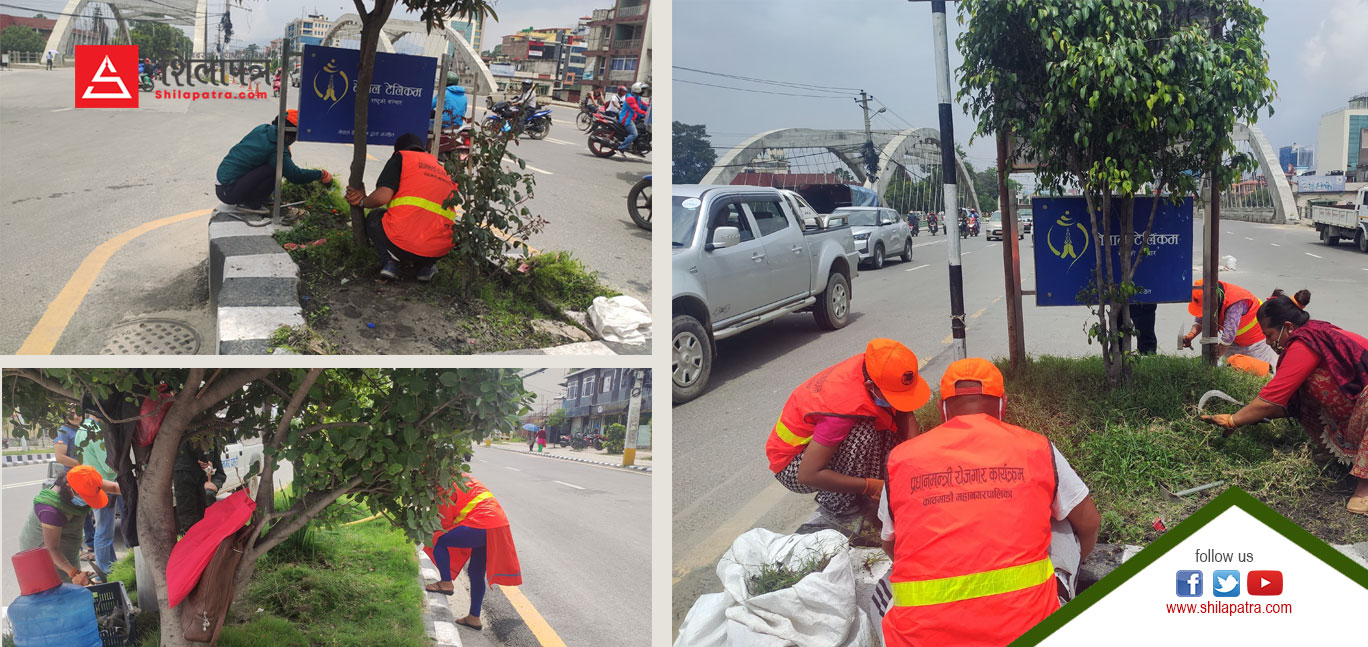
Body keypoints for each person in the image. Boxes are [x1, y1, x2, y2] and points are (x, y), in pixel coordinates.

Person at [880, 358, 1100, 647]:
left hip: (917, 639)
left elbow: (890, 544)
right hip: (1027, 629)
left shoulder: (901, 459)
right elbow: (1090, 522)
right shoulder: (1036, 447)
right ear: (1003, 405)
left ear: (942, 408)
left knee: (889, 578)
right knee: (1061, 519)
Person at [1201, 288, 1368, 515]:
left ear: (1288, 327)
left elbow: (1271, 400)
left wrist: (1234, 420)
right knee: (1300, 397)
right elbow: (1283, 403)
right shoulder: (1309, 336)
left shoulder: (1305, 343)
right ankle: (1339, 455)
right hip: (1358, 408)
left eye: (1269, 335)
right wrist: (1248, 418)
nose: (1268, 342)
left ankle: (1363, 490)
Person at [767, 338, 930, 518]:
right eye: (894, 395)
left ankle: (865, 490)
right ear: (870, 386)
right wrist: (870, 486)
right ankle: (840, 505)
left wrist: (915, 457)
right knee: (864, 431)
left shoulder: (875, 367)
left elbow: (903, 410)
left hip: (819, 451)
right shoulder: (841, 409)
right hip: (794, 467)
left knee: (889, 435)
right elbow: (808, 475)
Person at [346, 133, 459, 282]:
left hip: (402, 242)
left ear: (398, 150)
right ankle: (426, 267)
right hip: (439, 247)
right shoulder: (442, 168)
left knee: (375, 217)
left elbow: (382, 197)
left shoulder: (402, 158)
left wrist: (362, 201)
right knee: (429, 231)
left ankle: (390, 263)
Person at [424, 473, 522, 631]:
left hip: (483, 522)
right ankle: (474, 617)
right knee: (476, 572)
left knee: (438, 539)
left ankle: (446, 583)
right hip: (496, 524)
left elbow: (444, 522)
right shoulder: (459, 476)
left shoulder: (442, 485)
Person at [19, 465, 121, 585]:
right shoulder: (50, 510)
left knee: (72, 583)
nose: (88, 502)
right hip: (42, 549)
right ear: (69, 488)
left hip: (67, 541)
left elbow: (114, 487)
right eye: (86, 497)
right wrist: (74, 573)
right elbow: (52, 548)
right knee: (56, 585)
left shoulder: (87, 482)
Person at [216, 109, 332, 213]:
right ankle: (251, 202)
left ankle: (260, 197)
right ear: (289, 135)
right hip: (229, 192)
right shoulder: (277, 147)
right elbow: (295, 175)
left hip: (224, 184)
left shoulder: (263, 129)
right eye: (295, 137)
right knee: (276, 168)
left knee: (272, 165)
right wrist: (321, 174)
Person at [1181, 279, 1279, 368]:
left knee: (1262, 370)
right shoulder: (1208, 298)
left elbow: (1227, 338)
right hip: (1236, 341)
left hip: (1256, 343)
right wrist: (1191, 335)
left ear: (1215, 300)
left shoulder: (1235, 303)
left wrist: (1212, 360)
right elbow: (1200, 320)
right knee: (1231, 367)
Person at [75, 416, 122, 576]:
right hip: (104, 484)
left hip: (92, 483)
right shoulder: (95, 431)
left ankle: (112, 566)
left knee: (104, 528)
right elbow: (107, 465)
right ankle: (105, 571)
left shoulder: (82, 429)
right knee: (104, 531)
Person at [173, 436, 225, 534]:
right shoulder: (182, 457)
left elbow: (220, 474)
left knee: (203, 520)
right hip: (185, 478)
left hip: (201, 488)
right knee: (190, 523)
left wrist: (212, 483)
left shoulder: (210, 438)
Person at [618, 82, 649, 153]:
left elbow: (644, 106)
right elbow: (637, 110)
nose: (643, 91)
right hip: (627, 119)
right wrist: (646, 114)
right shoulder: (630, 99)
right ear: (637, 89)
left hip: (633, 118)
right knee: (634, 134)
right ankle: (621, 148)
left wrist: (650, 109)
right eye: (642, 89)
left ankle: (636, 148)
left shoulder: (637, 98)